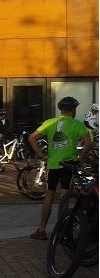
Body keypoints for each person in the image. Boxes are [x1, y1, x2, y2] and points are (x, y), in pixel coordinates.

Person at [28, 96, 92, 240]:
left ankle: (42, 230)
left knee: (49, 196)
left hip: (53, 164)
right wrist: (80, 158)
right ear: (73, 110)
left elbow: (32, 138)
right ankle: (61, 231)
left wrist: (41, 154)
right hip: (69, 165)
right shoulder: (77, 124)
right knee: (64, 197)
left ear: (61, 110)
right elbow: (88, 143)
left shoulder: (50, 122)